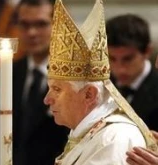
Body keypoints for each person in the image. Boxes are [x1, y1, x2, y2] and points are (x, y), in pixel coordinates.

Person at [43, 0, 157, 164]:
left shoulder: (113, 139)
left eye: (57, 89)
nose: (47, 99)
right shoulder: (91, 132)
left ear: (89, 94)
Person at [13, 0, 69, 164]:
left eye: (41, 24)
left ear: (58, 26)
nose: (31, 32)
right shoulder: (11, 71)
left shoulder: (72, 77)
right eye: (24, 24)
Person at [106, 14, 158, 131]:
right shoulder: (99, 86)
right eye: (112, 58)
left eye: (127, 59)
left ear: (147, 51)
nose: (120, 68)